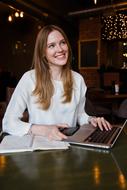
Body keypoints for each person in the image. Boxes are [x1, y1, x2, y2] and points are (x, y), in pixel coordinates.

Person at [2, 25, 112, 140]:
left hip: (69, 145)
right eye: (51, 45)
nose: (60, 49)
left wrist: (91, 119)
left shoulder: (77, 79)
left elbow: (80, 115)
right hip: (39, 149)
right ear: (43, 52)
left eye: (62, 43)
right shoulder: (29, 78)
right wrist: (45, 130)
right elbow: (8, 122)